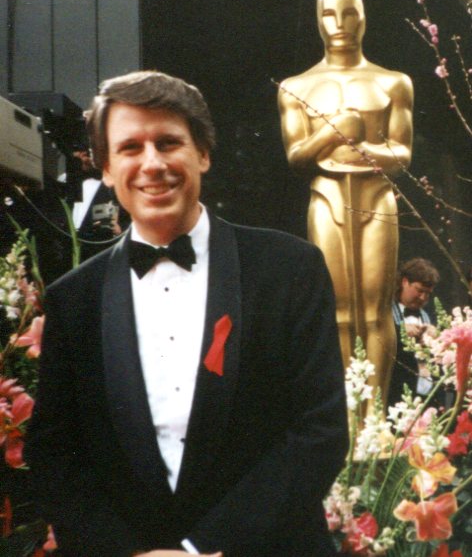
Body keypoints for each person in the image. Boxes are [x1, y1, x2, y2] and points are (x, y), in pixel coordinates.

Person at [25, 70, 348, 557]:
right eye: (130, 148)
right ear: (106, 169)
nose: (152, 163)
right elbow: (54, 453)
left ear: (203, 154)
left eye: (168, 142)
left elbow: (319, 429)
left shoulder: (290, 269)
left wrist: (204, 550)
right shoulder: (73, 299)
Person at [278, 0, 413, 409]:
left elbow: (402, 153)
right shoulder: (296, 87)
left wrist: (364, 148)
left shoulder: (392, 82)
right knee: (337, 311)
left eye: (349, 13)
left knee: (375, 310)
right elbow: (297, 156)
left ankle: (376, 421)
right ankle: (348, 420)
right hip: (328, 197)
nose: (340, 25)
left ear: (364, 17)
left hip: (376, 197)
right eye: (329, 15)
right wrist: (332, 133)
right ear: (318, 20)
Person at [388, 257, 440, 407]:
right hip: (395, 394)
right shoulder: (386, 312)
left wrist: (436, 338)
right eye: (420, 290)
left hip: (424, 396)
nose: (423, 297)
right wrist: (398, 330)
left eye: (428, 293)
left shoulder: (427, 315)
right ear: (405, 282)